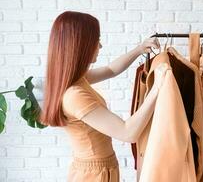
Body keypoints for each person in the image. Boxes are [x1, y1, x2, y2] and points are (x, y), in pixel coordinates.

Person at [40, 11, 166, 181]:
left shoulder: (75, 79)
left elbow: (110, 70)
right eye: (96, 41)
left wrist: (139, 49)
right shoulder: (74, 95)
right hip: (94, 175)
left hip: (98, 169)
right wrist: (157, 88)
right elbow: (127, 133)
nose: (100, 47)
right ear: (80, 45)